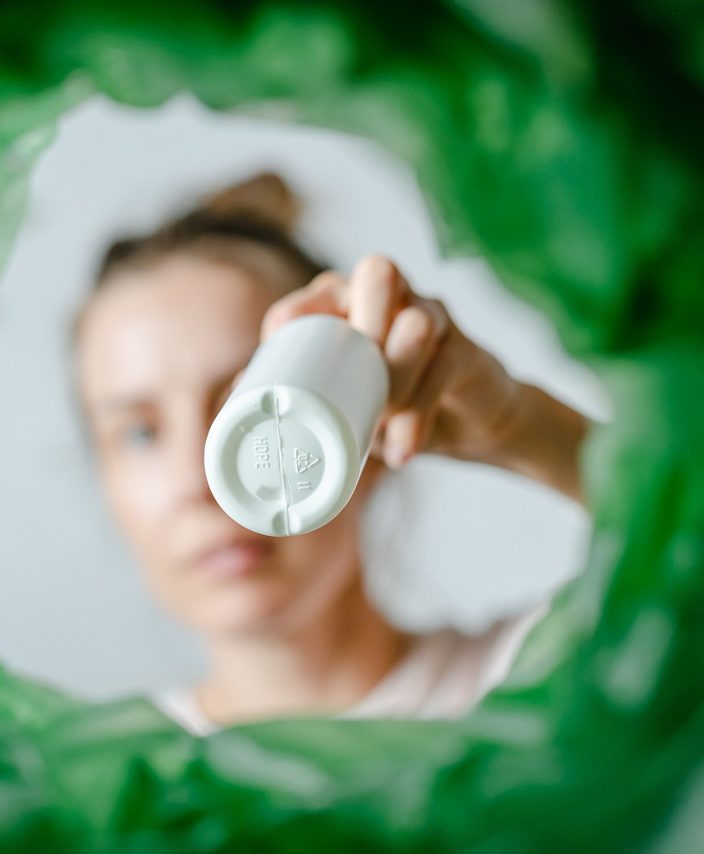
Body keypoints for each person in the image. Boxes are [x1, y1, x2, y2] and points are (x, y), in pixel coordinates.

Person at [70, 171, 589, 735]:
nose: (203, 480)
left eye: (243, 408)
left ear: (365, 428)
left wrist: (519, 428)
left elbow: (700, 537)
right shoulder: (113, 790)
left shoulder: (555, 686)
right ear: (103, 478)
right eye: (140, 433)